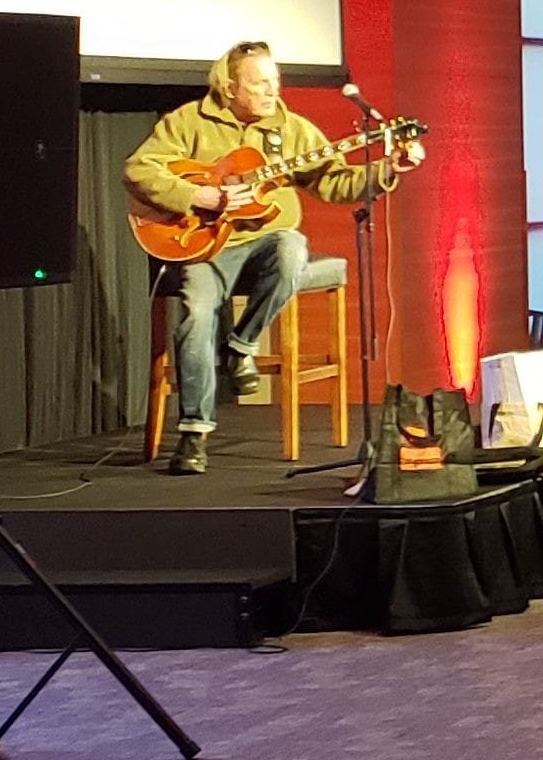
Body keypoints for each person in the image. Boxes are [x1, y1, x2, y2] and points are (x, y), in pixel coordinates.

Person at [124, 40, 422, 474]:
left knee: (291, 247)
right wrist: (199, 195)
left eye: (275, 82)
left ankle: (240, 346)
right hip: (206, 246)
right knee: (196, 312)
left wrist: (387, 169)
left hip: (265, 245)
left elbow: (333, 182)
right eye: (260, 83)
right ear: (229, 88)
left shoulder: (293, 129)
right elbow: (138, 169)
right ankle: (193, 436)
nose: (272, 91)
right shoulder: (189, 122)